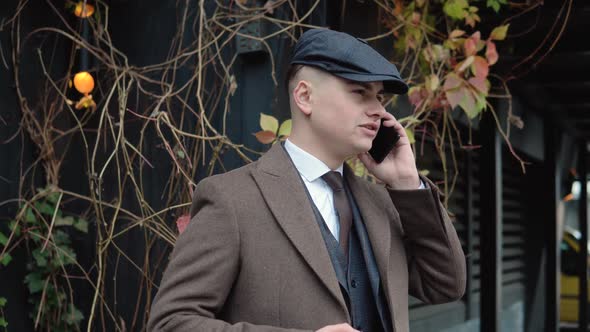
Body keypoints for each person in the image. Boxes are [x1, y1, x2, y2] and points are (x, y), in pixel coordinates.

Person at [147, 28, 466, 332]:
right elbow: (171, 322)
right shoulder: (232, 199)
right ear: (304, 96)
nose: (378, 111)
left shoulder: (383, 201)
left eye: (380, 97)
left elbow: (445, 284)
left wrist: (407, 183)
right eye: (359, 92)